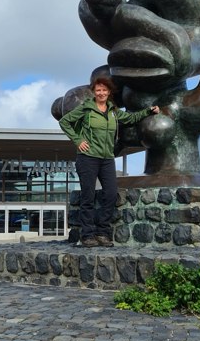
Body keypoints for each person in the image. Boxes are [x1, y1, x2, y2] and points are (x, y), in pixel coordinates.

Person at [59, 77, 159, 247]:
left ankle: (102, 232)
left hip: (106, 159)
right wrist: (78, 140)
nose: (101, 93)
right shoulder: (86, 108)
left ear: (109, 92)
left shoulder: (113, 111)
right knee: (88, 197)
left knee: (111, 194)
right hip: (88, 157)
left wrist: (148, 111)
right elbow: (64, 122)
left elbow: (130, 119)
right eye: (98, 90)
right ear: (94, 92)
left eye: (104, 90)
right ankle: (88, 235)